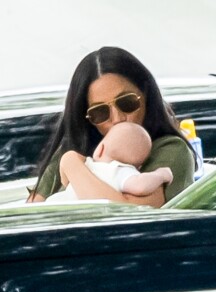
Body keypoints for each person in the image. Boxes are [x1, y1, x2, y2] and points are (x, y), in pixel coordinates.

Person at [27, 46, 196, 207]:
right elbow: (31, 213)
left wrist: (72, 166)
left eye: (127, 102)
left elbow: (130, 214)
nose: (118, 118)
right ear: (87, 119)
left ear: (146, 94)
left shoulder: (170, 150)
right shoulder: (74, 147)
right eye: (100, 112)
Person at [46, 122, 173, 201]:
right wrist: (161, 175)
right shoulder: (120, 171)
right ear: (138, 166)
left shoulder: (86, 165)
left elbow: (64, 180)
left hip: (59, 204)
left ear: (100, 149)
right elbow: (140, 187)